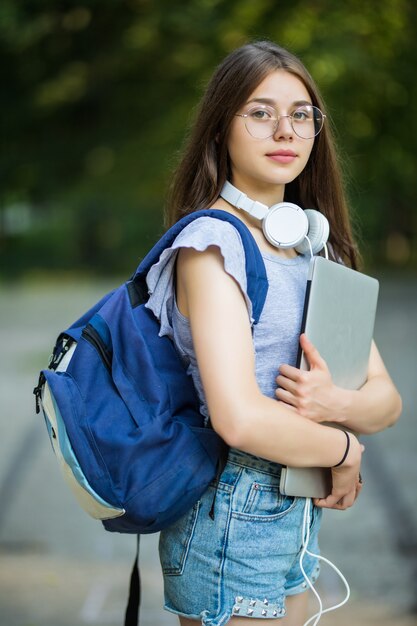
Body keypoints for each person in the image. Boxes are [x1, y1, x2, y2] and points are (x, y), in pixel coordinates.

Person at [145, 40, 402, 626]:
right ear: (220, 132)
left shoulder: (319, 246)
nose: (285, 130)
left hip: (297, 508)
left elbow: (386, 402)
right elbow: (238, 418)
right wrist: (342, 446)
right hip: (231, 510)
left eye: (301, 114)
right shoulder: (212, 245)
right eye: (260, 113)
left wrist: (337, 403)